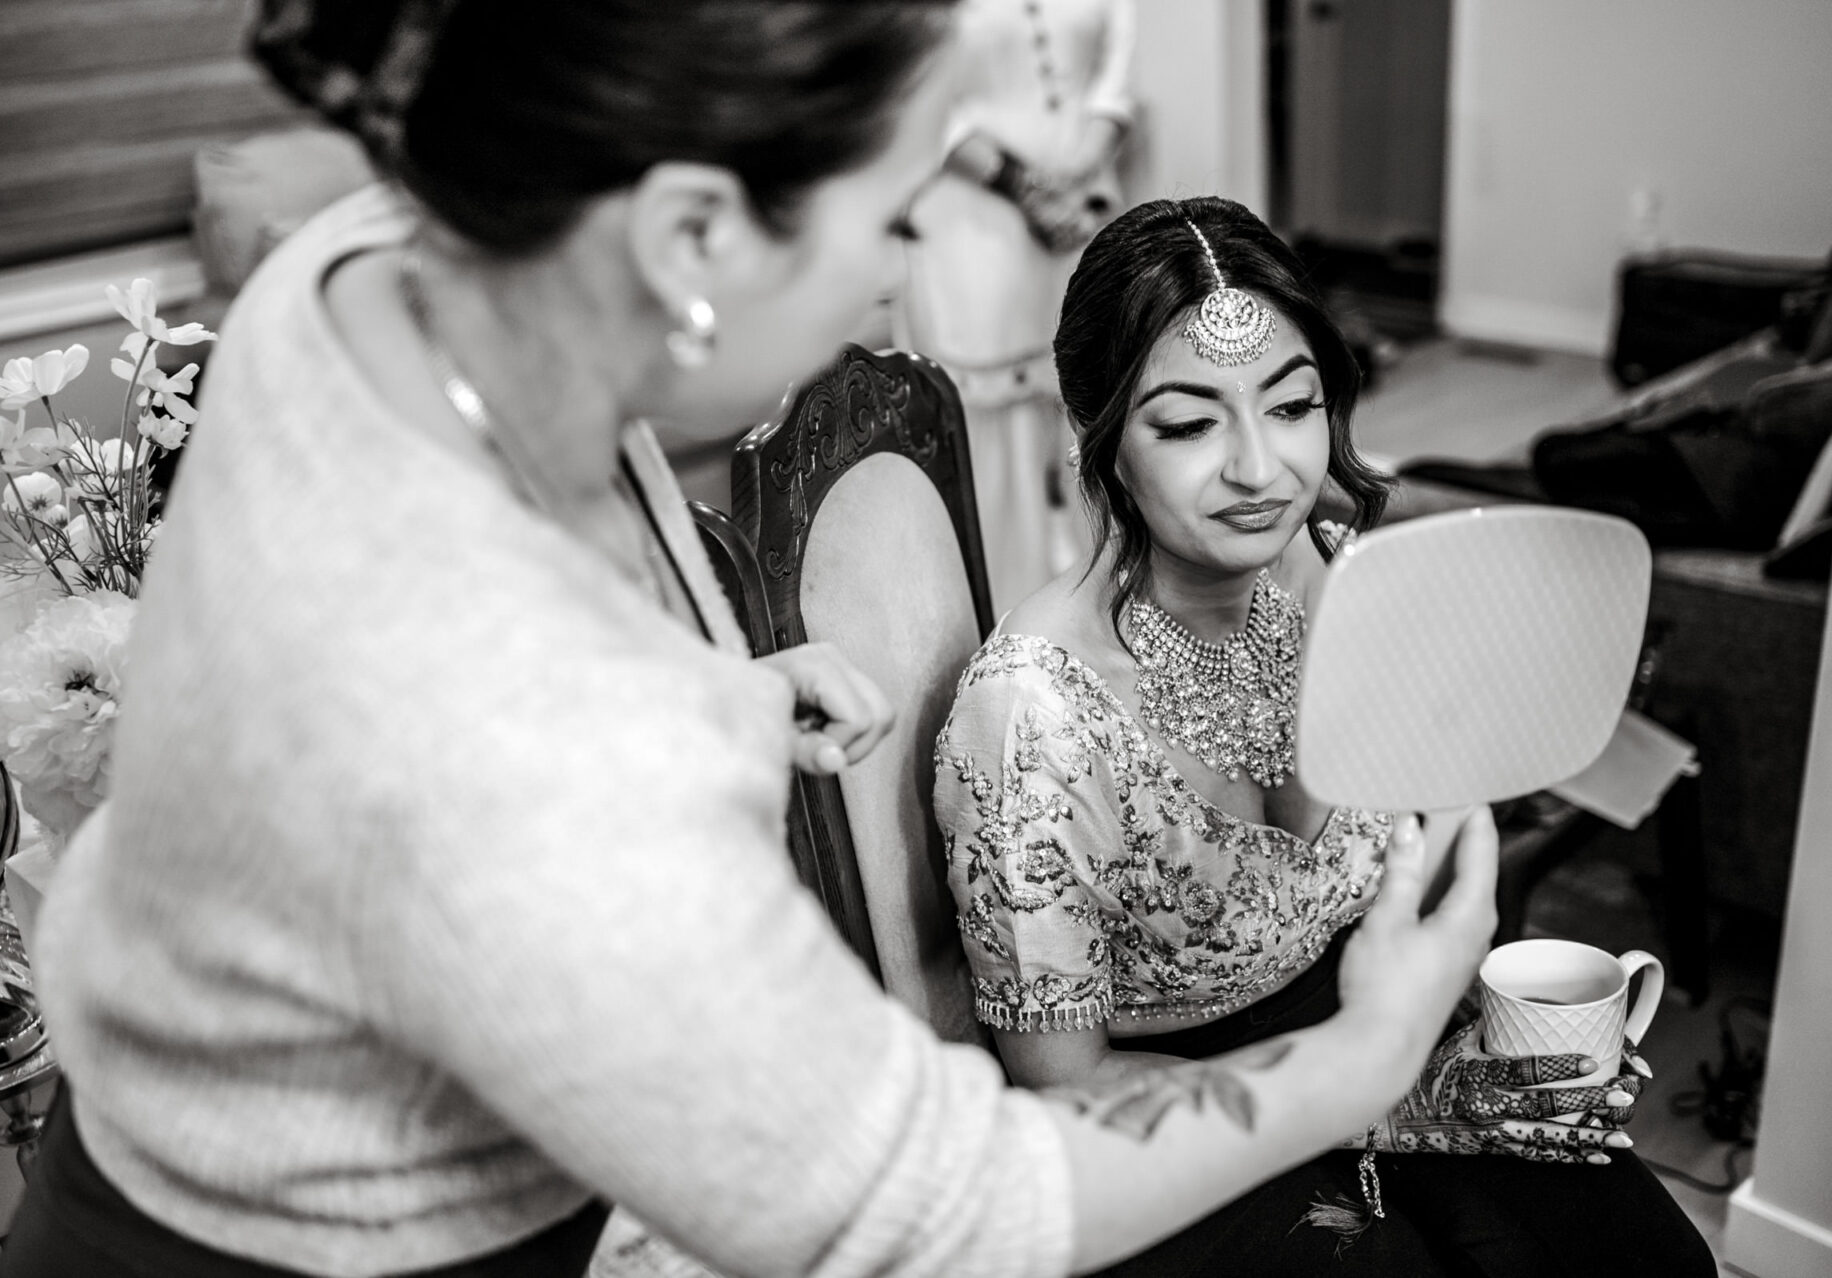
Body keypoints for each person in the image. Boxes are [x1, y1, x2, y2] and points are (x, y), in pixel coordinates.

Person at [11, 7, 1566, 1277]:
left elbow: (408, 727)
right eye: (890, 216)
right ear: (691, 233)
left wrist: (716, 694)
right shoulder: (518, 732)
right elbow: (939, 1203)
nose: (897, 272)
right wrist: (1367, 1061)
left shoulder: (376, 267)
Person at [934, 195, 1720, 1276]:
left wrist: (1482, 1052)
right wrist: (1375, 1094)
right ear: (1104, 439)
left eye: (1292, 405)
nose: (1264, 471)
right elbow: (1060, 1087)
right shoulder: (1033, 717)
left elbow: (1429, 839)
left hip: (1392, 1047)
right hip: (1173, 1130)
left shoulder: (1340, 566)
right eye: (1190, 423)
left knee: (1650, 1263)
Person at [895, 0, 1134, 611]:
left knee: (1099, 407)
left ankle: (1107, 607)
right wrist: (1024, 189)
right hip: (969, 219)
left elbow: (1116, 71)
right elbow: (918, 89)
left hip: (1085, 209)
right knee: (989, 438)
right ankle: (1004, 623)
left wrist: (1078, 181)